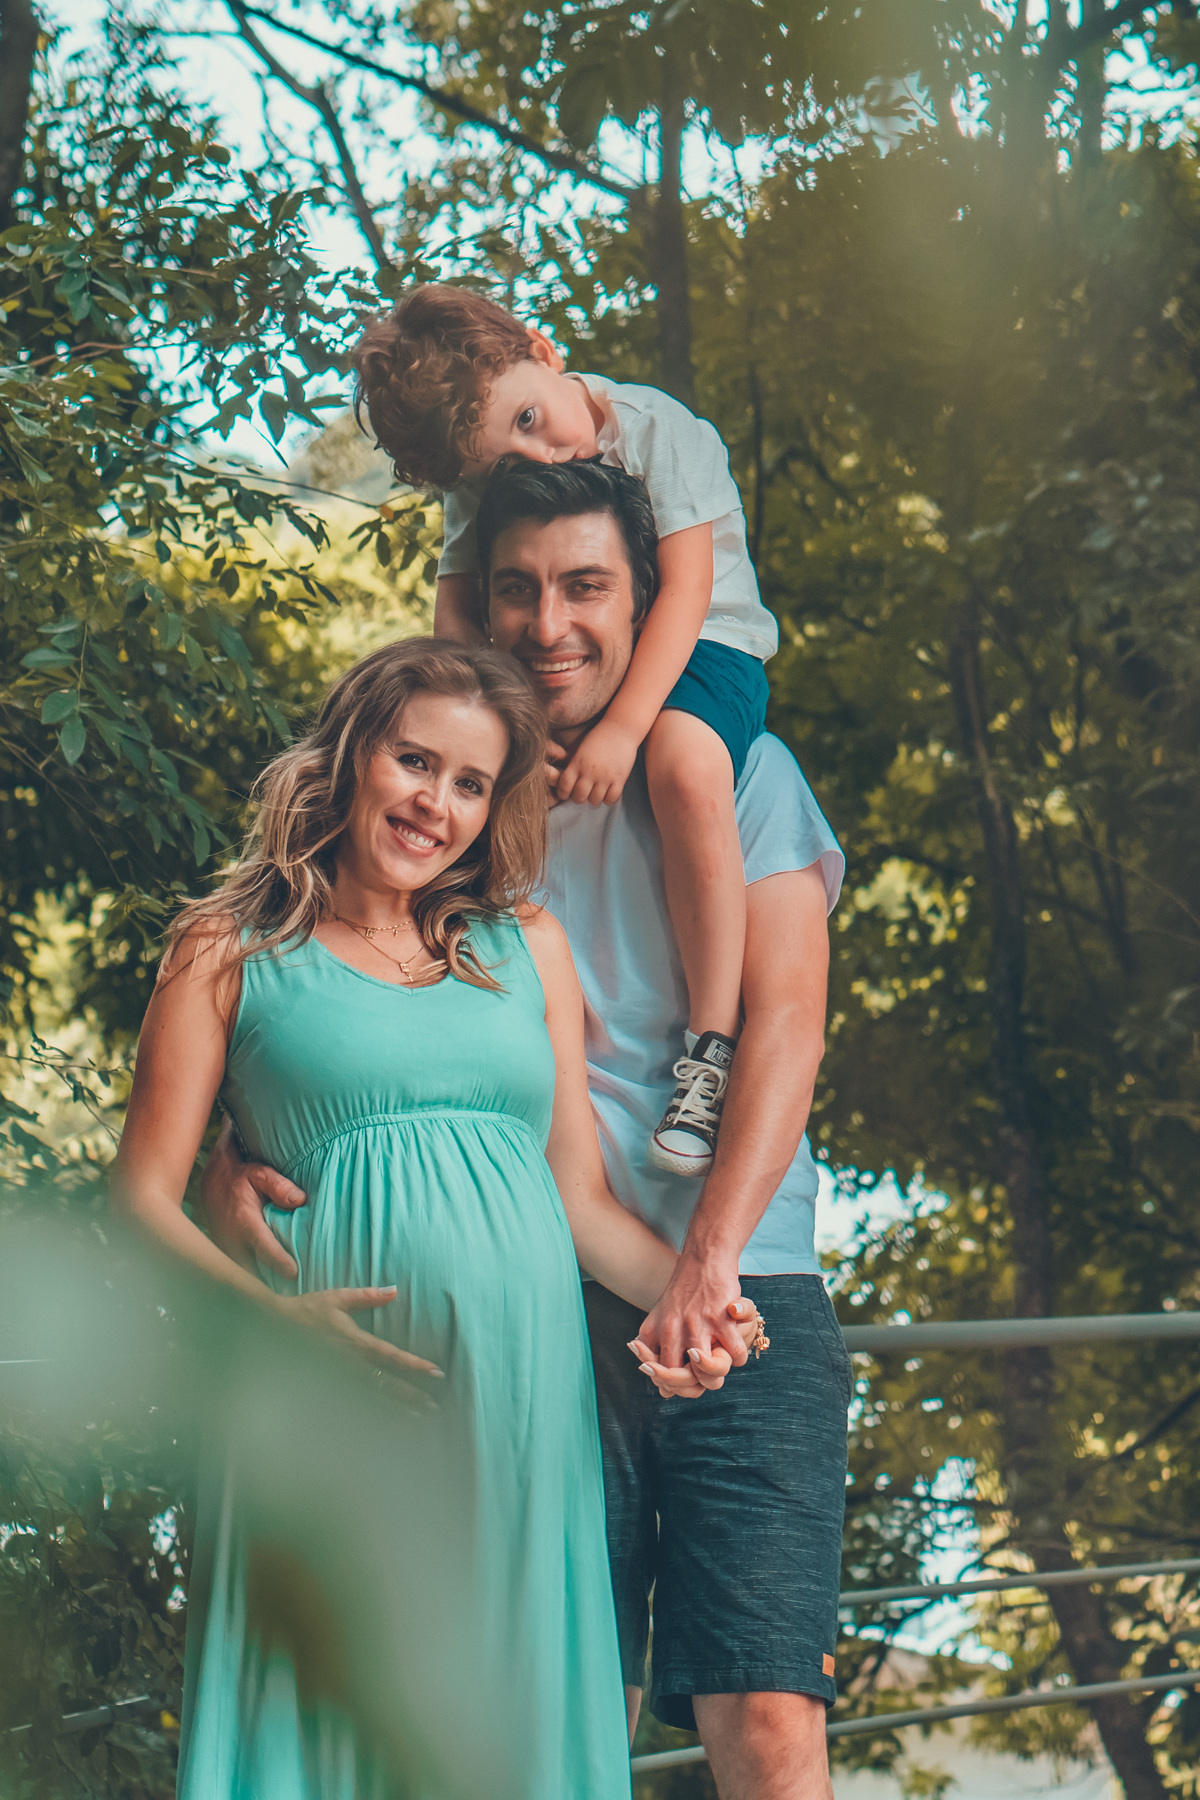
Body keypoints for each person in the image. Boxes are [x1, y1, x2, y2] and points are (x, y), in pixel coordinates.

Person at [205, 464, 852, 1800]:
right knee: (552, 1694)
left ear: (646, 605)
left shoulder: (738, 770)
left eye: (587, 586)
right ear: (479, 608)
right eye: (518, 588)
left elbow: (787, 1025)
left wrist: (708, 1267)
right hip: (535, 1310)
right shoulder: (461, 808)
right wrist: (242, 1149)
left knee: (767, 1713)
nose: (550, 622)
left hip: (737, 1282)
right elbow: (339, 1009)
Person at [111, 638, 757, 1800]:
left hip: (520, 1413)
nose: (435, 804)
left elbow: (579, 1203)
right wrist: (269, 1323)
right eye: (414, 762)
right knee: (327, 1711)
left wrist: (697, 1299)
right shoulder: (227, 948)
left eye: (470, 783)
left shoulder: (525, 945)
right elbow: (141, 1200)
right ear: (352, 753)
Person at [352, 285, 781, 1178]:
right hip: (585, 668)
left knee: (685, 762)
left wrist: (623, 731)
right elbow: (455, 616)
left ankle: (711, 1046)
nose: (543, 454)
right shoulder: (485, 479)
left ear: (544, 352)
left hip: (706, 641)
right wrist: (490, 720)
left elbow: (687, 589)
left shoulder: (657, 428)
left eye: (533, 420)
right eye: (503, 460)